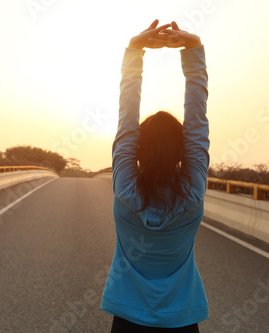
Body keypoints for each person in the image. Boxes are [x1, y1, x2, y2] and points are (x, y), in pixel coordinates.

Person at [101, 20, 210, 333]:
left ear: (136, 151)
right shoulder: (192, 195)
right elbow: (197, 123)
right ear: (183, 152)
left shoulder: (125, 191)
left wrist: (135, 51)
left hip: (127, 320)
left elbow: (126, 122)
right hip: (182, 321)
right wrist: (193, 50)